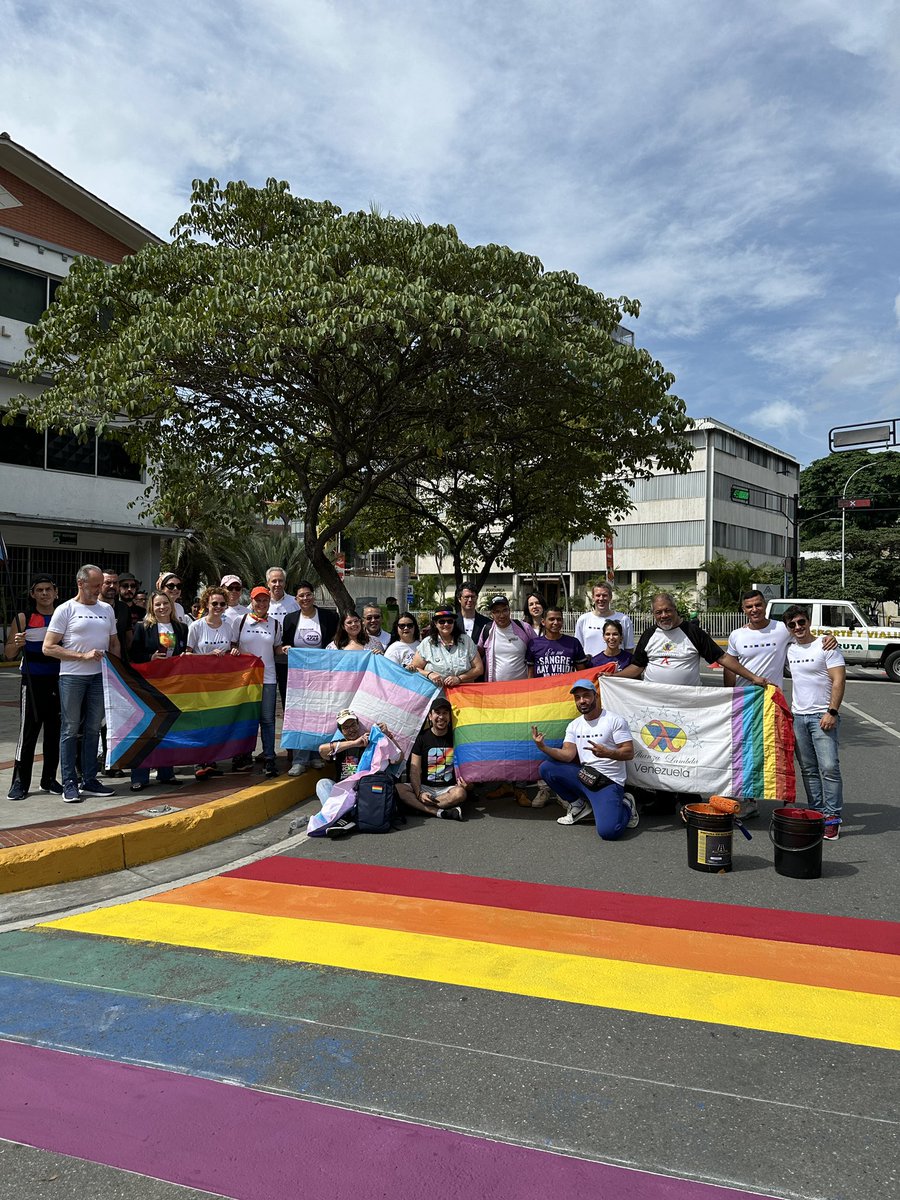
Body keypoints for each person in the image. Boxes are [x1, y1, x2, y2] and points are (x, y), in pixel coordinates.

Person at [723, 591, 836, 819]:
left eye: (758, 605)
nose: (754, 609)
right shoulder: (737, 635)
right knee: (748, 753)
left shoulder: (782, 629)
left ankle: (787, 801)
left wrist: (830, 636)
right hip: (746, 701)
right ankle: (749, 801)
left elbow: (805, 635)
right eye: (749, 606)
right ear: (743, 610)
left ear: (765, 606)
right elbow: (730, 665)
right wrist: (729, 696)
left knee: (783, 751)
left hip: (774, 700)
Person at [42, 563, 120, 803]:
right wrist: (82, 656)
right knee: (69, 729)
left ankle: (90, 779)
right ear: (80, 583)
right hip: (72, 677)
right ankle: (69, 783)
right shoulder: (65, 610)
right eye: (94, 585)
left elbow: (114, 642)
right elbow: (48, 647)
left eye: (100, 585)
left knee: (93, 730)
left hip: (99, 678)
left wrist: (117, 671)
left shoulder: (106, 609)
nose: (99, 590)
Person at [531, 679, 639, 837]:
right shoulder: (574, 725)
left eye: (586, 695)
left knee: (609, 832)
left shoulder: (614, 720)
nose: (582, 700)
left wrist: (608, 753)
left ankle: (627, 805)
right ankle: (578, 805)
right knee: (547, 768)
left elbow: (629, 752)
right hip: (586, 776)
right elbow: (567, 755)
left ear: (596, 696)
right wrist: (543, 747)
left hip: (608, 782)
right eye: (577, 697)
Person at [783, 606, 846, 840]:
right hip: (798, 717)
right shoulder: (789, 650)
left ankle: (832, 818)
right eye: (792, 625)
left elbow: (839, 679)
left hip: (822, 717)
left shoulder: (826, 645)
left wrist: (832, 711)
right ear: (788, 628)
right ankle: (817, 812)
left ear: (808, 622)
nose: (798, 628)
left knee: (829, 768)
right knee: (808, 770)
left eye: (801, 622)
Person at [620, 593, 769, 687]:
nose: (663, 615)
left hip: (687, 702)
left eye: (668, 610)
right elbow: (637, 667)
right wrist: (612, 677)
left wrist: (753, 677)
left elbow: (722, 657)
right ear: (653, 614)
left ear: (675, 609)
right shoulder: (648, 634)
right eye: (658, 612)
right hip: (654, 699)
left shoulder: (693, 632)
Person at [4, 574, 62, 800]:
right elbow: (8, 653)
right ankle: (19, 782)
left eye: (49, 589)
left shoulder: (63, 615)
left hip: (59, 681)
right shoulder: (23, 617)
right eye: (40, 590)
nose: (45, 593)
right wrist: (17, 643)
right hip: (32, 682)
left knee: (54, 734)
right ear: (33, 594)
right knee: (28, 734)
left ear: (56, 592)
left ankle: (48, 779)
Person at [128, 591, 188, 792]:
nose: (162, 607)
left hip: (172, 685)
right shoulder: (143, 627)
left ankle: (166, 773)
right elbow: (134, 655)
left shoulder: (181, 628)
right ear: (151, 608)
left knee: (168, 729)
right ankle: (139, 776)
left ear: (171, 605)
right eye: (157, 605)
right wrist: (149, 657)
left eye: (165, 603)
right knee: (146, 729)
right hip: (148, 685)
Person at [281, 582, 340, 776]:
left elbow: (335, 643)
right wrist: (286, 648)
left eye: (308, 595)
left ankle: (316, 755)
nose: (305, 599)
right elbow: (284, 644)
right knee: (299, 716)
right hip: (299, 677)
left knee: (319, 714)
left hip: (323, 675)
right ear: (296, 599)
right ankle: (299, 760)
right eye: (301, 596)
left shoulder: (328, 617)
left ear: (313, 596)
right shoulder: (289, 620)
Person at [231, 586, 282, 777]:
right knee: (246, 719)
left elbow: (276, 649)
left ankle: (269, 757)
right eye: (257, 600)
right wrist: (235, 652)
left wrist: (286, 650)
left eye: (265, 600)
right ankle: (242, 755)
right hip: (246, 679)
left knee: (268, 720)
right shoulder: (240, 621)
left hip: (268, 678)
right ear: (251, 601)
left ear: (269, 602)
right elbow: (233, 645)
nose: (261, 604)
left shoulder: (275, 624)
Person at [186, 586, 233, 780]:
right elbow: (187, 655)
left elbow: (232, 650)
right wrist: (207, 656)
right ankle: (199, 761)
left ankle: (212, 761)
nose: (219, 607)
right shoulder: (196, 626)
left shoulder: (229, 626)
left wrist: (232, 654)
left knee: (216, 722)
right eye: (215, 603)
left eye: (222, 604)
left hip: (222, 683)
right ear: (207, 604)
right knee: (201, 721)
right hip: (201, 682)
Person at [395, 696, 467, 819]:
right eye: (437, 713)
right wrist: (419, 793)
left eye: (445, 713)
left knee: (460, 793)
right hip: (424, 787)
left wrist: (467, 785)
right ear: (430, 716)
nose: (441, 717)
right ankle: (439, 812)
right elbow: (414, 770)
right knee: (398, 788)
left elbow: (466, 767)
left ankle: (420, 808)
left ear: (450, 717)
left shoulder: (457, 737)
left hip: (448, 789)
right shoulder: (421, 738)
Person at [411, 607, 483, 688]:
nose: (446, 624)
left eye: (450, 621)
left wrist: (459, 679)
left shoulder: (466, 641)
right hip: (436, 695)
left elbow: (479, 669)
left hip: (464, 695)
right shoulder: (427, 643)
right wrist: (429, 674)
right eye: (441, 622)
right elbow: (414, 669)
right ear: (435, 623)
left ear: (454, 623)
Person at [477, 595, 534, 683]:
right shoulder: (487, 630)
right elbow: (478, 652)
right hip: (496, 689)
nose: (502, 615)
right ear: (492, 614)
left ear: (509, 611)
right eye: (497, 612)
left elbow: (537, 650)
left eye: (504, 610)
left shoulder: (524, 628)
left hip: (522, 688)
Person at [575, 583, 636, 656]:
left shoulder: (624, 619)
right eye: (598, 595)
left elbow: (629, 649)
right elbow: (578, 648)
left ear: (610, 597)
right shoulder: (583, 619)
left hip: (616, 666)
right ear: (593, 597)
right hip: (590, 666)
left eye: (604, 595)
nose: (601, 599)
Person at [526, 605, 586, 678]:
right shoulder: (534, 644)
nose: (556, 622)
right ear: (543, 622)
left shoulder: (573, 643)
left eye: (559, 619)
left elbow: (582, 673)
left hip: (566, 688)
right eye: (551, 619)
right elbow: (530, 674)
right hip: (542, 688)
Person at [101, 570, 134, 658]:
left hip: (118, 661)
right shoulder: (91, 606)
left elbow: (129, 639)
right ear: (99, 584)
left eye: (115, 583)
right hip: (95, 660)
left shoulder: (124, 608)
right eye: (108, 583)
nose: (112, 586)